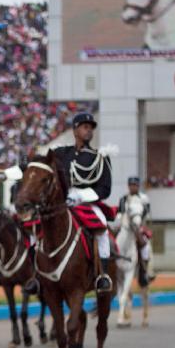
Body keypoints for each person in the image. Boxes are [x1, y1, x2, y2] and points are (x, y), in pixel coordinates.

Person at [52, 111, 114, 293]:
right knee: (40, 225)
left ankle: (103, 274)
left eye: (91, 128)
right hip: (63, 204)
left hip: (87, 204)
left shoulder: (100, 157)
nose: (89, 131)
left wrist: (81, 195)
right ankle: (36, 275)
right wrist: (16, 168)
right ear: (75, 130)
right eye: (85, 127)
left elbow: (105, 189)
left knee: (102, 228)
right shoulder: (62, 153)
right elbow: (41, 164)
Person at [117, 176, 156, 285]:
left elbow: (147, 213)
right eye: (131, 185)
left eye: (135, 185)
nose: (133, 187)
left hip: (139, 227)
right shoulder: (123, 198)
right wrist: (120, 220)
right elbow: (120, 213)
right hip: (126, 226)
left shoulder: (144, 198)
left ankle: (147, 270)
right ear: (128, 186)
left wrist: (139, 224)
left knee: (146, 246)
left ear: (138, 186)